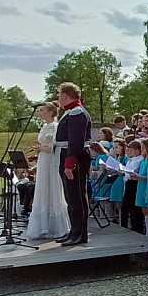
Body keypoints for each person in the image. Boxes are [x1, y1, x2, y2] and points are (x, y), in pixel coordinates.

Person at [25, 102, 71, 240]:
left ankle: (56, 226)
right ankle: (43, 226)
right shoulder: (45, 127)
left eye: (42, 110)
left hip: (51, 160)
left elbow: (55, 147)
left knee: (52, 188)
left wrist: (41, 148)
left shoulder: (55, 127)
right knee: (43, 189)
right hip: (43, 160)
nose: (40, 112)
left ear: (50, 112)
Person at [56, 82, 92, 246]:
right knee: (70, 197)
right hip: (66, 155)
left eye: (59, 94)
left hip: (75, 157)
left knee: (77, 196)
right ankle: (74, 231)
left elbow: (76, 141)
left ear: (65, 95)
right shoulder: (71, 111)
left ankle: (80, 233)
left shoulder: (77, 112)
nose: (58, 98)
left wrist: (70, 164)